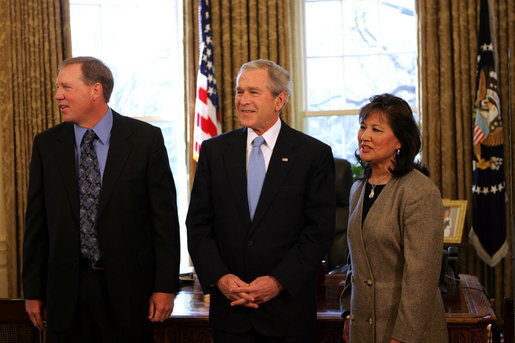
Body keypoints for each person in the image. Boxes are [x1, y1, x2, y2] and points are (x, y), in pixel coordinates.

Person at [22, 56, 180, 343]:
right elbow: (37, 223)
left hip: (129, 295)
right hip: (65, 295)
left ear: (95, 90)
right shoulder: (46, 144)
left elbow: (164, 222)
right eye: (58, 87)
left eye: (66, 87)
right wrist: (33, 291)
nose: (58, 95)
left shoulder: (145, 141)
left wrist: (165, 287)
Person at [186, 59, 335, 342]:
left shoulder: (312, 155)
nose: (243, 100)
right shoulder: (214, 152)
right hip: (230, 313)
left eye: (254, 92)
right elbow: (198, 225)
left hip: (287, 315)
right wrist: (220, 278)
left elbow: (318, 232)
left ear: (280, 99)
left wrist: (278, 281)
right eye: (240, 92)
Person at [340, 94, 448, 343]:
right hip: (363, 328)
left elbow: (421, 278)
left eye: (376, 129)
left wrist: (402, 338)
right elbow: (354, 261)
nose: (364, 136)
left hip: (407, 332)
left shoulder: (419, 191)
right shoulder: (358, 188)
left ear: (399, 140)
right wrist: (348, 313)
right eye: (363, 127)